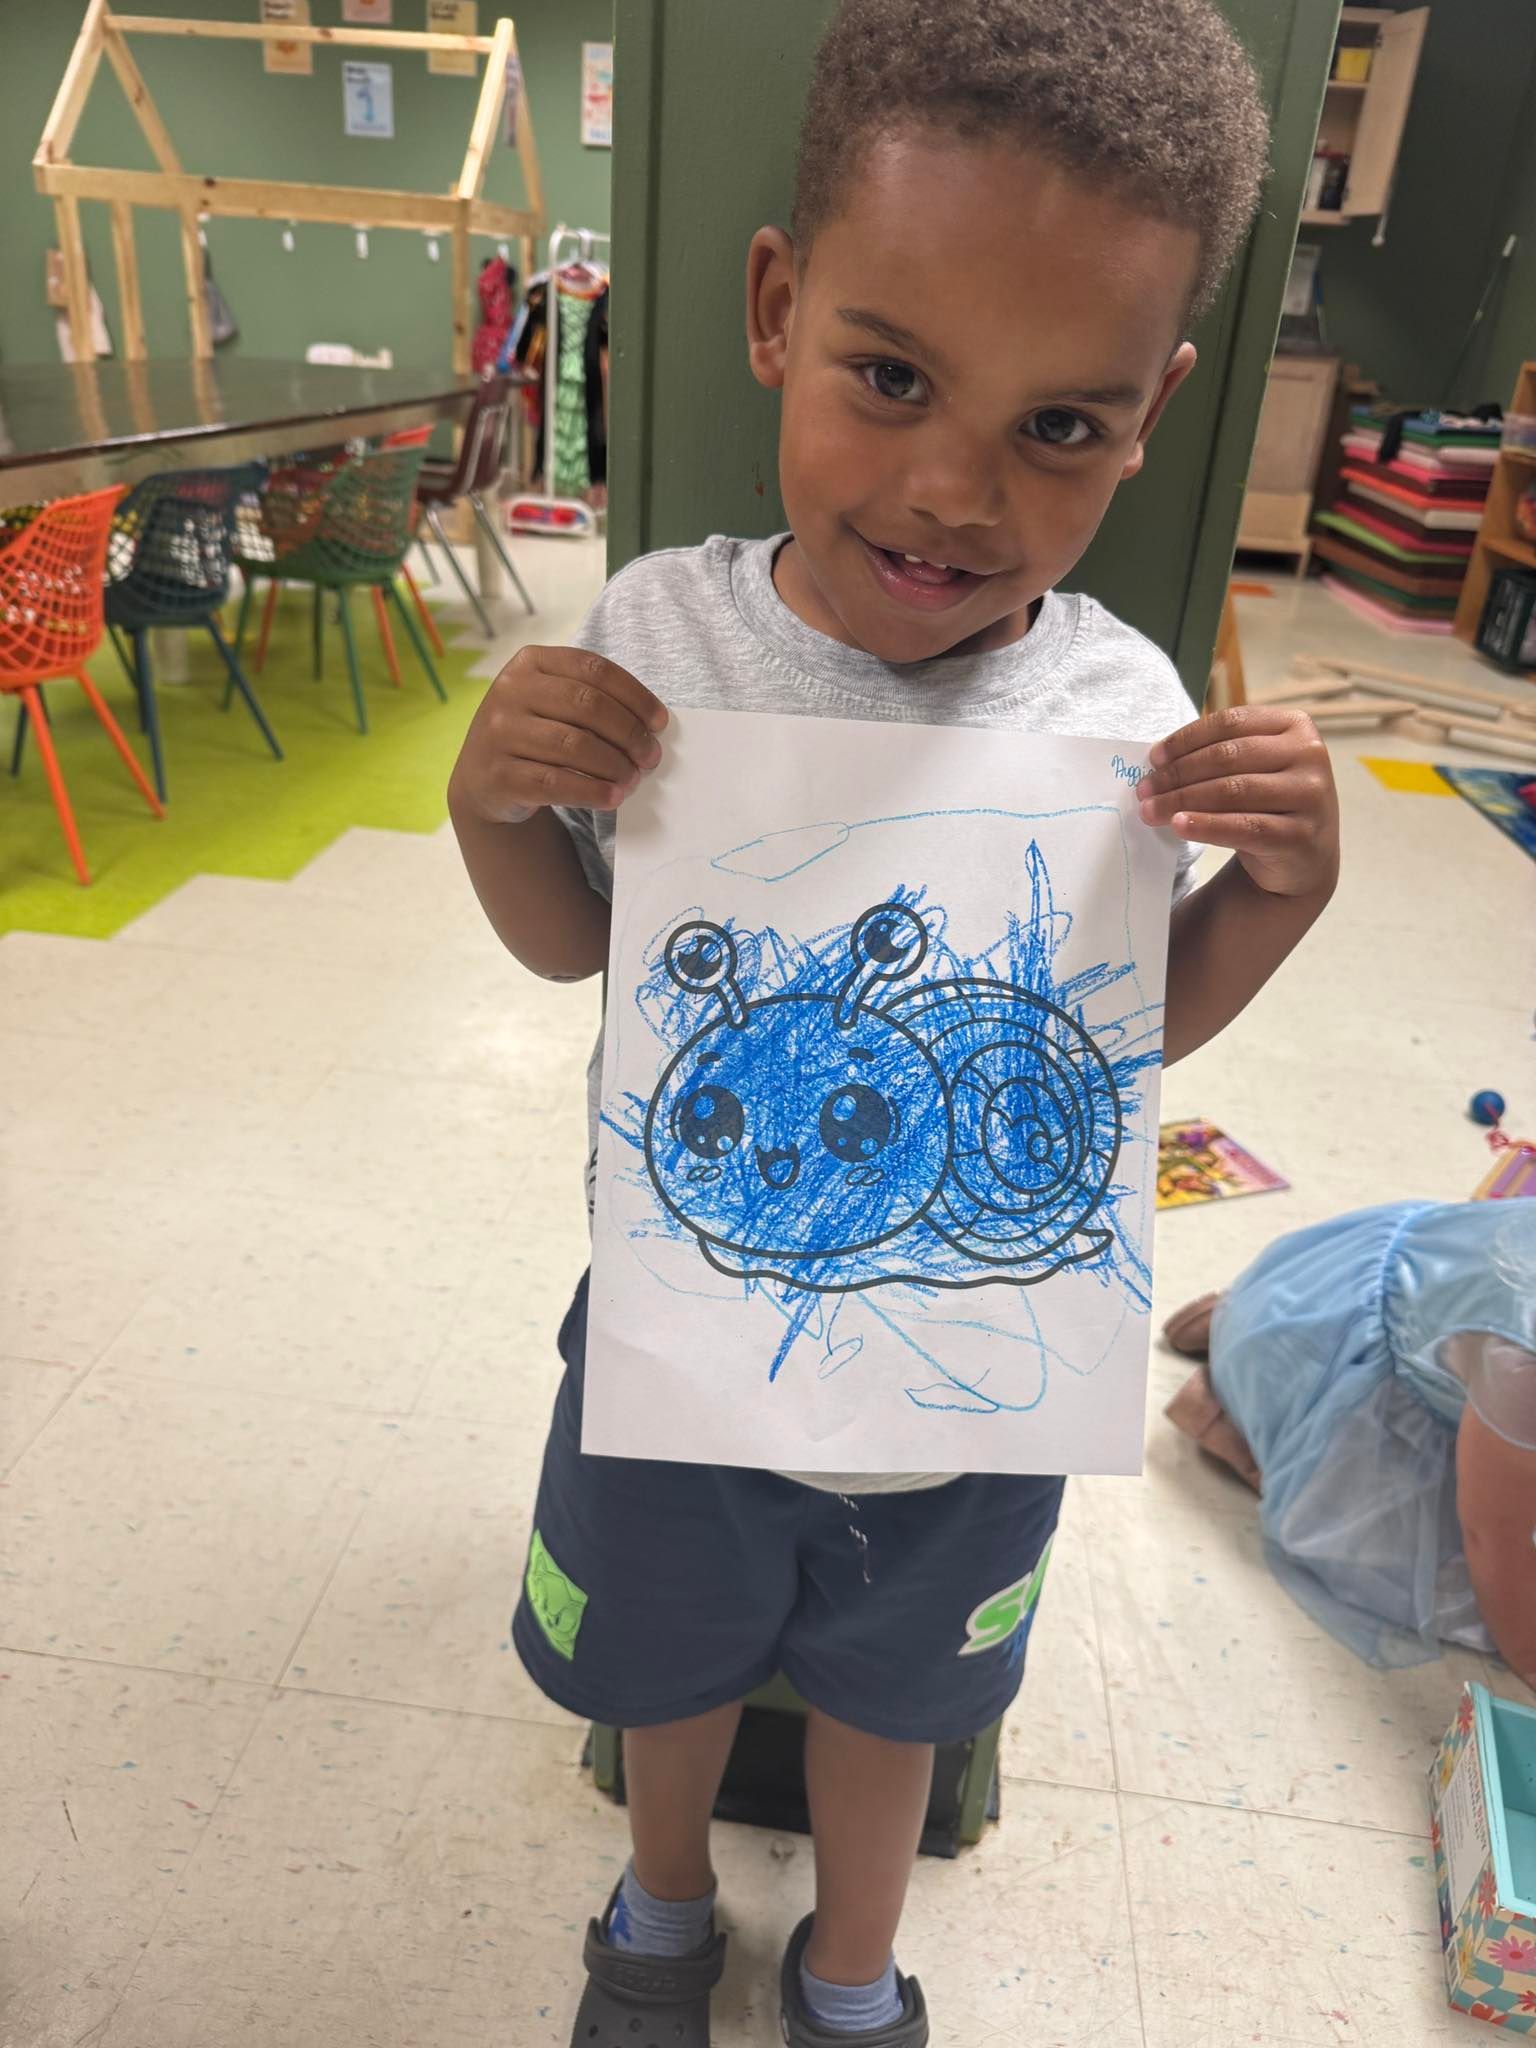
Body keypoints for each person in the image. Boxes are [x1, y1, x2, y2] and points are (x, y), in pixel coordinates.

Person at [448, 3, 1340, 2042]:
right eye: (891, 375)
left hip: (966, 1378)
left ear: (1153, 411)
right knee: (669, 1663)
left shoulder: (1119, 704)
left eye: (1061, 425)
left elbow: (1123, 1035)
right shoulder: (665, 631)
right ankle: (660, 1912)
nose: (953, 489)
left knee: (899, 1690)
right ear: (776, 307)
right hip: (687, 1330)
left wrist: (1280, 891)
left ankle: (853, 1964)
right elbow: (568, 949)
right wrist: (493, 803)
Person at [1164, 1200, 1536, 1688]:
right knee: (1432, 1574)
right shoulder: (1524, 1364)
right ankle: (1229, 1410)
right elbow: (1491, 1534)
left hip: (1363, 1276)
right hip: (1347, 1363)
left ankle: (1243, 1321)